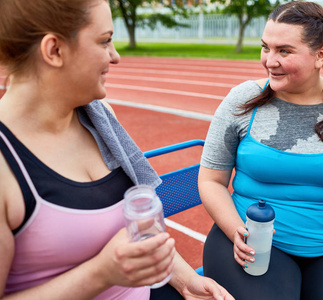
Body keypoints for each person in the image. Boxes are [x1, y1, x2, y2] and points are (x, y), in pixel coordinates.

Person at [0, 1, 234, 299]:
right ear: (54, 50)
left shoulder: (100, 119)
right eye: (105, 40)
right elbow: (113, 265)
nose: (116, 56)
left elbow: (138, 241)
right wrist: (101, 273)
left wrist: (186, 281)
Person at [198, 1, 323, 299]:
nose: (269, 61)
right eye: (266, 47)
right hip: (251, 242)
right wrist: (236, 231)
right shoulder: (241, 100)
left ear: (320, 55)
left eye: (284, 51)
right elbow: (210, 181)